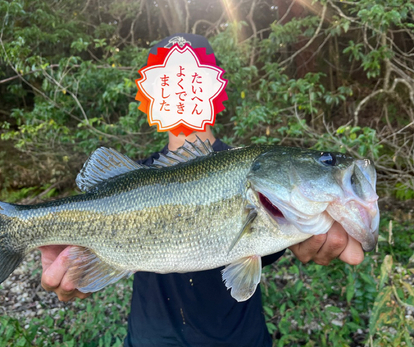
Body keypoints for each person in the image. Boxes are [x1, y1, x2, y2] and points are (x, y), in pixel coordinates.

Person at [39, 34, 365, 346]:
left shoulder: (258, 175)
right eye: (169, 80)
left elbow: (267, 247)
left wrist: (314, 226)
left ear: (215, 87)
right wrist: (54, 237)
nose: (181, 89)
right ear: (149, 93)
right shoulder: (132, 178)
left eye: (192, 78)